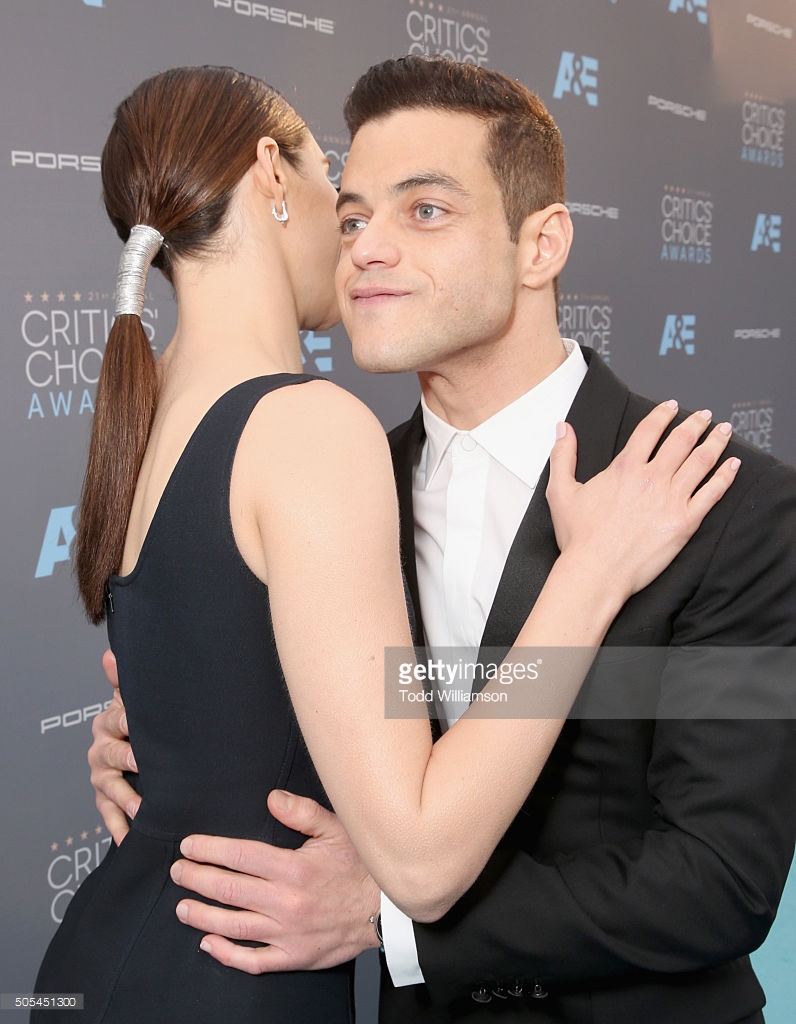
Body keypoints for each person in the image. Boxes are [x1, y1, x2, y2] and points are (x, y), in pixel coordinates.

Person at [84, 56, 796, 1024]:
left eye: (424, 211)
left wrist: (389, 919)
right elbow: (389, 697)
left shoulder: (724, 503)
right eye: (351, 215)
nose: (366, 248)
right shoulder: (336, 486)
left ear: (540, 244)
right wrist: (168, 733)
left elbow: (719, 877)